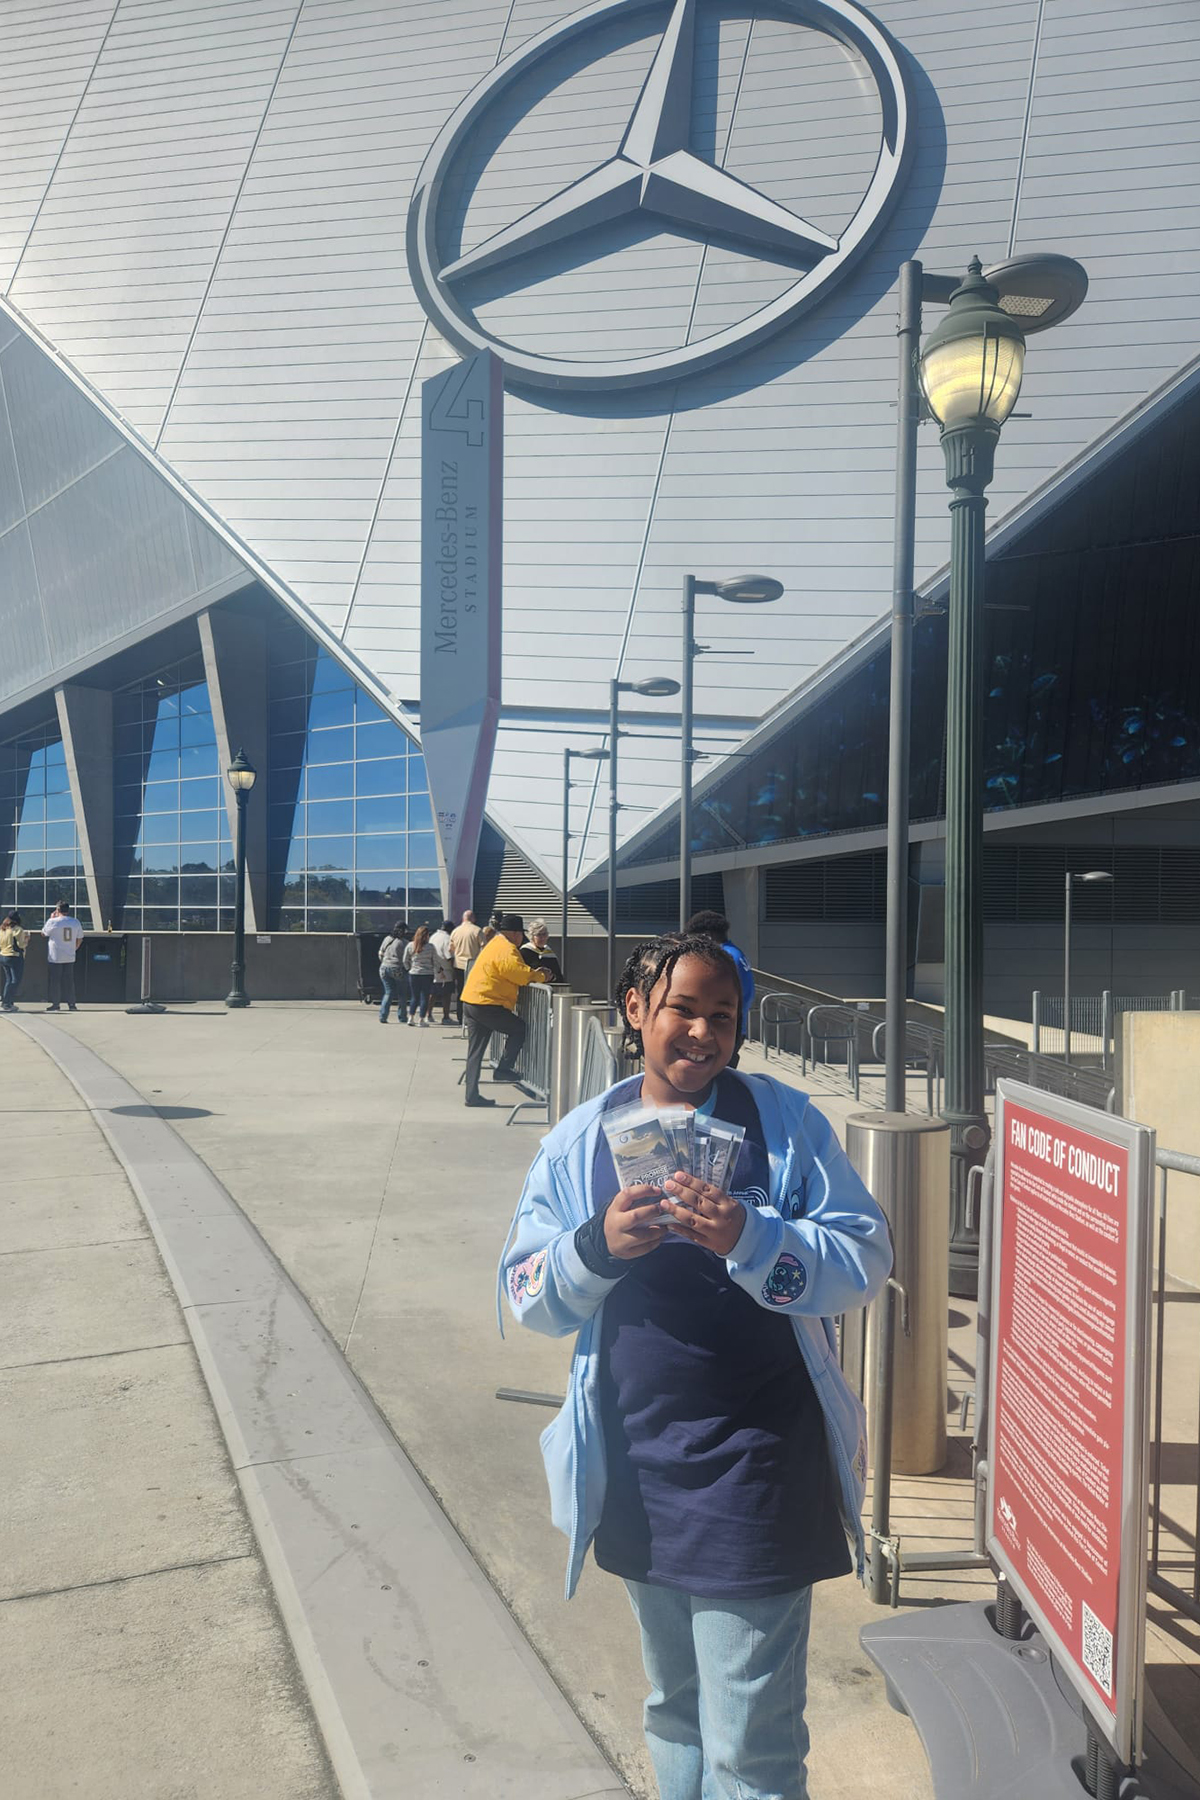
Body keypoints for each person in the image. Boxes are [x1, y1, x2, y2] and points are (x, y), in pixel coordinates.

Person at [500, 932, 890, 1800]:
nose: (704, 1033)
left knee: (749, 1743)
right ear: (636, 1010)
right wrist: (597, 1245)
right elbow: (528, 1291)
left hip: (760, 1468)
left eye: (723, 1014)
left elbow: (863, 1261)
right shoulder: (578, 1143)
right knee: (673, 1708)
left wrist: (751, 1237)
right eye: (684, 1009)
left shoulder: (785, 1126)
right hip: (638, 1467)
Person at [460, 912, 548, 1108]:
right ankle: (503, 1069)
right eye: (521, 935)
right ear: (515, 934)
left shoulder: (494, 944)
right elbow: (516, 973)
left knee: (475, 1051)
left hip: (472, 1000)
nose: (522, 938)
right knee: (518, 1028)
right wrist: (540, 976)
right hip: (487, 1002)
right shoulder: (507, 948)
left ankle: (471, 1095)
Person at [685, 909, 755, 1029]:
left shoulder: (721, 958)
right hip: (736, 1026)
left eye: (695, 939)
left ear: (707, 936)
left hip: (726, 1028)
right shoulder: (735, 953)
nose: (694, 944)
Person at [42, 900, 84, 1011]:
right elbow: (80, 938)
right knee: (69, 981)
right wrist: (74, 948)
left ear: (58, 910)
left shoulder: (53, 922)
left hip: (55, 955)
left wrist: (51, 918)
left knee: (55, 981)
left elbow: (44, 933)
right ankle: (72, 1004)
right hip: (69, 955)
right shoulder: (75, 922)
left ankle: (56, 1003)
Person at [449, 909, 483, 1024]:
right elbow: (484, 949)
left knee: (460, 992)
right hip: (473, 966)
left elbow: (451, 949)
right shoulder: (477, 931)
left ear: (463, 918)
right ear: (473, 918)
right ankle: (471, 1017)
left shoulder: (455, 931)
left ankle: (460, 1017)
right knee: (473, 993)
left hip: (458, 965)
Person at [403, 924, 437, 1026]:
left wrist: (409, 968)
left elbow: (405, 960)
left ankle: (411, 1017)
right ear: (427, 936)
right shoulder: (430, 947)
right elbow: (435, 961)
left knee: (414, 997)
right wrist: (437, 971)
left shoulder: (410, 945)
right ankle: (421, 1019)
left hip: (414, 973)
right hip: (427, 974)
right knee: (424, 997)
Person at [377, 920, 408, 1024]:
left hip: (384, 968)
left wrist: (385, 962)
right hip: (397, 968)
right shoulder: (403, 943)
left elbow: (380, 953)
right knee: (402, 994)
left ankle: (383, 1016)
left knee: (388, 992)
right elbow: (406, 959)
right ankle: (402, 1017)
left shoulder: (387, 939)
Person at [0, 912, 29, 1011]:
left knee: (9, 980)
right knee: (15, 980)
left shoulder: (2, 929)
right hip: (14, 956)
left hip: (3, 955)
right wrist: (26, 940)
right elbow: (21, 945)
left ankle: (5, 1001)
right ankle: (7, 1002)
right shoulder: (18, 930)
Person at [522, 918, 563, 984]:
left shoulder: (549, 953)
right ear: (531, 936)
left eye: (544, 934)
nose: (542, 938)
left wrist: (551, 977)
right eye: (539, 935)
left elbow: (560, 978)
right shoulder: (525, 952)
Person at [430, 918, 456, 1024]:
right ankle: (445, 1017)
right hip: (445, 971)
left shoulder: (433, 936)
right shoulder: (447, 939)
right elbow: (449, 956)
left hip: (433, 969)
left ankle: (428, 1015)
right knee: (446, 995)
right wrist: (454, 970)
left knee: (432, 994)